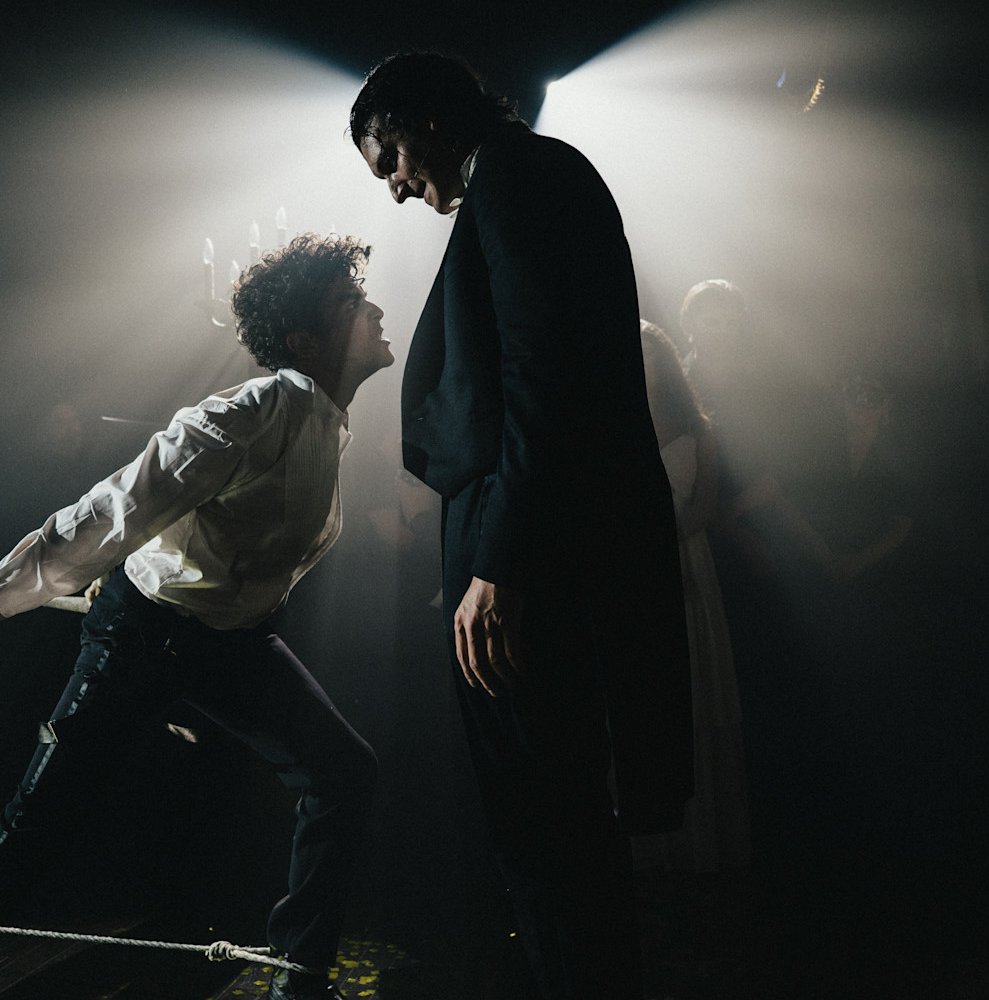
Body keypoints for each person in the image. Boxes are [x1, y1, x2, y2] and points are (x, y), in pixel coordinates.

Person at [0, 233, 390, 1000]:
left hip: (231, 642)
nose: (372, 307)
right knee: (27, 841)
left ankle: (298, 983)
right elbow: (112, 514)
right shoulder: (253, 413)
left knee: (345, 772)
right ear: (307, 340)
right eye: (350, 301)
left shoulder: (329, 422)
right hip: (145, 637)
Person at [350, 52, 691, 998]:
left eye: (389, 161)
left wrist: (498, 564)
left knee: (547, 817)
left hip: (532, 551)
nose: (396, 190)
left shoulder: (520, 180)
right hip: (533, 536)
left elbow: (547, 383)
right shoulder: (526, 180)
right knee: (554, 819)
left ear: (421, 120)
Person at [630, 322, 751, 875]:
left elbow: (704, 507)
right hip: (631, 569)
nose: (641, 363)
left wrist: (660, 545)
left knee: (697, 696)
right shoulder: (613, 423)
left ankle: (705, 843)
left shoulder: (698, 427)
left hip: (685, 561)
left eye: (650, 354)